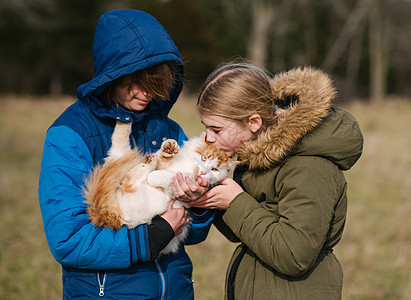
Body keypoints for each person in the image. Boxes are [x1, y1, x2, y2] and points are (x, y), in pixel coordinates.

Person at [38, 9, 212, 299]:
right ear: (111, 75)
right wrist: (150, 237)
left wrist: (199, 204)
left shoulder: (167, 129)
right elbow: (68, 240)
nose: (145, 92)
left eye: (156, 82)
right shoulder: (68, 135)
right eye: (134, 80)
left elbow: (193, 232)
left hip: (175, 290)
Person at [180, 63, 364, 299]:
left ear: (254, 123)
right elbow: (245, 231)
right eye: (205, 127)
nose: (207, 138)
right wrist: (207, 197)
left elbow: (294, 255)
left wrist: (235, 202)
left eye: (216, 129)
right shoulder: (258, 156)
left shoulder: (308, 166)